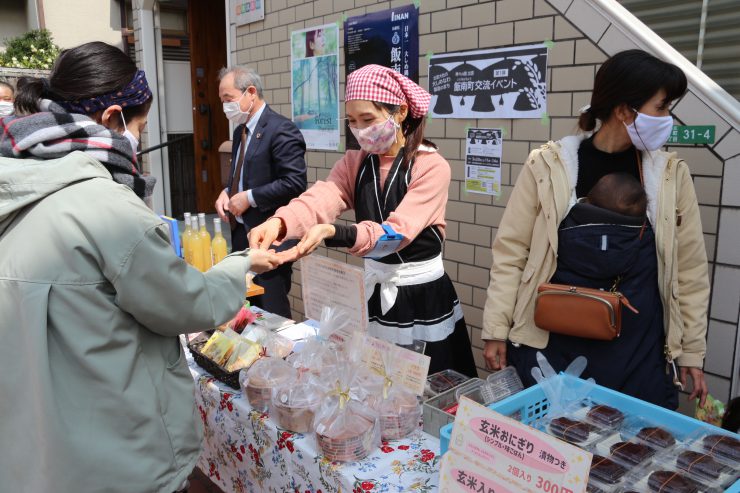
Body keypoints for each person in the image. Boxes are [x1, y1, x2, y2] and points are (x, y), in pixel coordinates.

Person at [0, 42, 280, 493]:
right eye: (141, 127)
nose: (139, 141)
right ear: (112, 117)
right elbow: (186, 302)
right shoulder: (105, 207)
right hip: (114, 457)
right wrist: (241, 263)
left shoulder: (17, 183)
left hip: (31, 452)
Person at [482, 49, 710, 409]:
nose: (668, 118)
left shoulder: (670, 175)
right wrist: (496, 329)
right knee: (553, 444)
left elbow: (690, 267)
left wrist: (691, 352)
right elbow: (512, 252)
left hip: (638, 350)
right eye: (662, 107)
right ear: (624, 111)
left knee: (629, 450)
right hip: (554, 344)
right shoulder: (549, 165)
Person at [249, 64, 478, 377]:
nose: (360, 130)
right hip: (374, 295)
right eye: (353, 122)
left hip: (423, 298)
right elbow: (322, 198)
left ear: (400, 113)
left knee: (428, 388)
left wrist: (337, 233)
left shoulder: (430, 166)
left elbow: (397, 233)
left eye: (368, 119)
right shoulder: (355, 162)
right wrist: (281, 223)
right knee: (377, 385)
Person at [215, 65, 307, 318]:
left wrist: (250, 198)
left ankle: (282, 357)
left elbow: (295, 181)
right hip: (241, 234)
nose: (225, 107)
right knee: (246, 309)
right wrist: (226, 192)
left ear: (251, 92)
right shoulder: (240, 131)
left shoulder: (281, 129)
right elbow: (239, 175)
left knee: (271, 309)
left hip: (271, 238)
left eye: (228, 99)